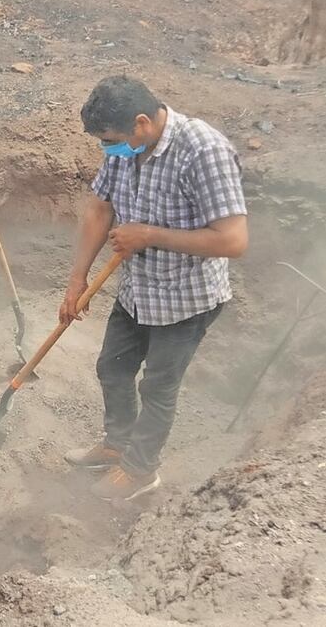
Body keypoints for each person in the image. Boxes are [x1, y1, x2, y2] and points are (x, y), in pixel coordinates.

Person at [61, 76, 248, 501]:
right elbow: (100, 208)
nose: (107, 150)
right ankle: (117, 446)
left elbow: (233, 240)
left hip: (186, 298)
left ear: (142, 123)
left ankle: (140, 470)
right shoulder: (126, 149)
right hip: (138, 289)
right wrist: (77, 278)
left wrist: (149, 235)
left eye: (110, 141)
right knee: (112, 367)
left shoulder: (204, 151)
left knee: (157, 388)